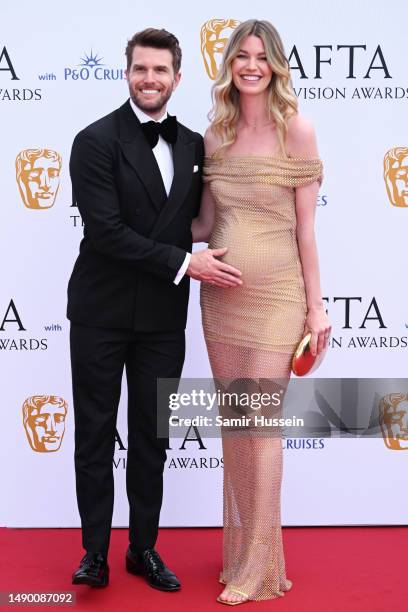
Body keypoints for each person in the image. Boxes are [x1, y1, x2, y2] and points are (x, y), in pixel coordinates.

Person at [68, 28, 241, 590]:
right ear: (127, 72)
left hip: (163, 318)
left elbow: (195, 223)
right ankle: (94, 552)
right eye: (141, 69)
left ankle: (143, 549)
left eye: (160, 70)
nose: (150, 79)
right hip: (100, 311)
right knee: (95, 432)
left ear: (177, 78)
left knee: (152, 436)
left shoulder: (193, 144)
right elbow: (107, 233)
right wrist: (186, 264)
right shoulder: (93, 141)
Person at [192, 19, 331, 605]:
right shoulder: (213, 135)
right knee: (237, 429)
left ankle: (258, 570)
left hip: (278, 299)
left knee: (262, 427)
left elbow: (306, 230)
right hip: (221, 299)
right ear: (229, 64)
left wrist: (317, 308)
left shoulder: (295, 129)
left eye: (262, 56)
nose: (252, 65)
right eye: (242, 56)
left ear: (275, 65)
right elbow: (202, 223)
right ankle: (247, 554)